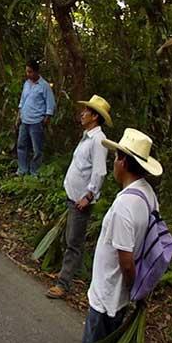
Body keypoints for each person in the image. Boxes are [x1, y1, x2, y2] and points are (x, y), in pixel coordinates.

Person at [76, 128, 163, 343]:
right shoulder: (147, 194)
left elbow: (126, 259)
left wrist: (132, 286)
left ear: (123, 162)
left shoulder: (126, 205)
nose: (113, 163)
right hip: (120, 295)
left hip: (108, 295)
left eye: (115, 158)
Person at [47, 95, 113, 300]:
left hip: (81, 201)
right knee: (70, 239)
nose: (82, 113)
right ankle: (65, 275)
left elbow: (100, 172)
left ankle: (63, 284)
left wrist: (88, 195)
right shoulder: (87, 136)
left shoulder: (98, 141)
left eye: (86, 111)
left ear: (95, 117)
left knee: (74, 243)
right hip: (74, 197)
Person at [16, 59, 56, 175]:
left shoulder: (44, 86)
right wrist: (19, 116)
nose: (28, 74)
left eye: (30, 72)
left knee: (37, 149)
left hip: (36, 121)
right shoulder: (26, 84)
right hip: (25, 119)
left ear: (37, 72)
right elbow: (22, 101)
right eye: (27, 72)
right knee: (21, 145)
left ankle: (35, 171)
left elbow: (50, 104)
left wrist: (46, 118)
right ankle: (22, 169)